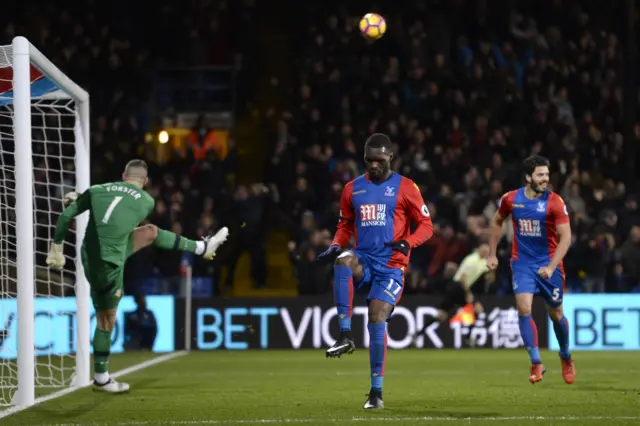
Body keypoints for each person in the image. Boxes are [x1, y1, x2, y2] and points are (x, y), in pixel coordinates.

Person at [46, 159, 229, 393]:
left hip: (90, 253)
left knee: (151, 232)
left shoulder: (97, 190)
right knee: (106, 320)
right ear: (145, 182)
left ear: (123, 175)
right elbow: (121, 212)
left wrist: (57, 249)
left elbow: (65, 218)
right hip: (108, 265)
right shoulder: (146, 200)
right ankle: (101, 378)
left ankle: (202, 248)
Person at [316, 133, 434, 409]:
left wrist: (408, 242)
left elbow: (427, 227)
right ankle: (345, 335)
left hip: (391, 267)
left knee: (377, 316)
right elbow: (345, 225)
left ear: (390, 157)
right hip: (365, 259)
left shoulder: (407, 187)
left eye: (379, 160)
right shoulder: (352, 189)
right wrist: (336, 244)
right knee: (343, 261)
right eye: (368, 160)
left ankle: (376, 393)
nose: (373, 165)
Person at [487, 155, 575, 384]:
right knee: (523, 308)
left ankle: (565, 355)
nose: (545, 179)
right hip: (522, 263)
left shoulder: (555, 202)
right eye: (540, 175)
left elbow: (566, 238)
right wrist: (492, 253)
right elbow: (496, 221)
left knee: (556, 314)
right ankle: (536, 362)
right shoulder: (511, 199)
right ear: (528, 177)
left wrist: (552, 266)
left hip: (550, 263)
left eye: (547, 174)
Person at [411, 243, 490, 347]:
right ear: (479, 250)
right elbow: (463, 278)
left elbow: (489, 268)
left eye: (488, 252)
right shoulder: (471, 260)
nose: (486, 253)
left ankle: (418, 334)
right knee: (477, 309)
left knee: (441, 316)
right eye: (485, 251)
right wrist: (468, 294)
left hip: (458, 288)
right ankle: (468, 337)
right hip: (458, 288)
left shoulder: (482, 261)